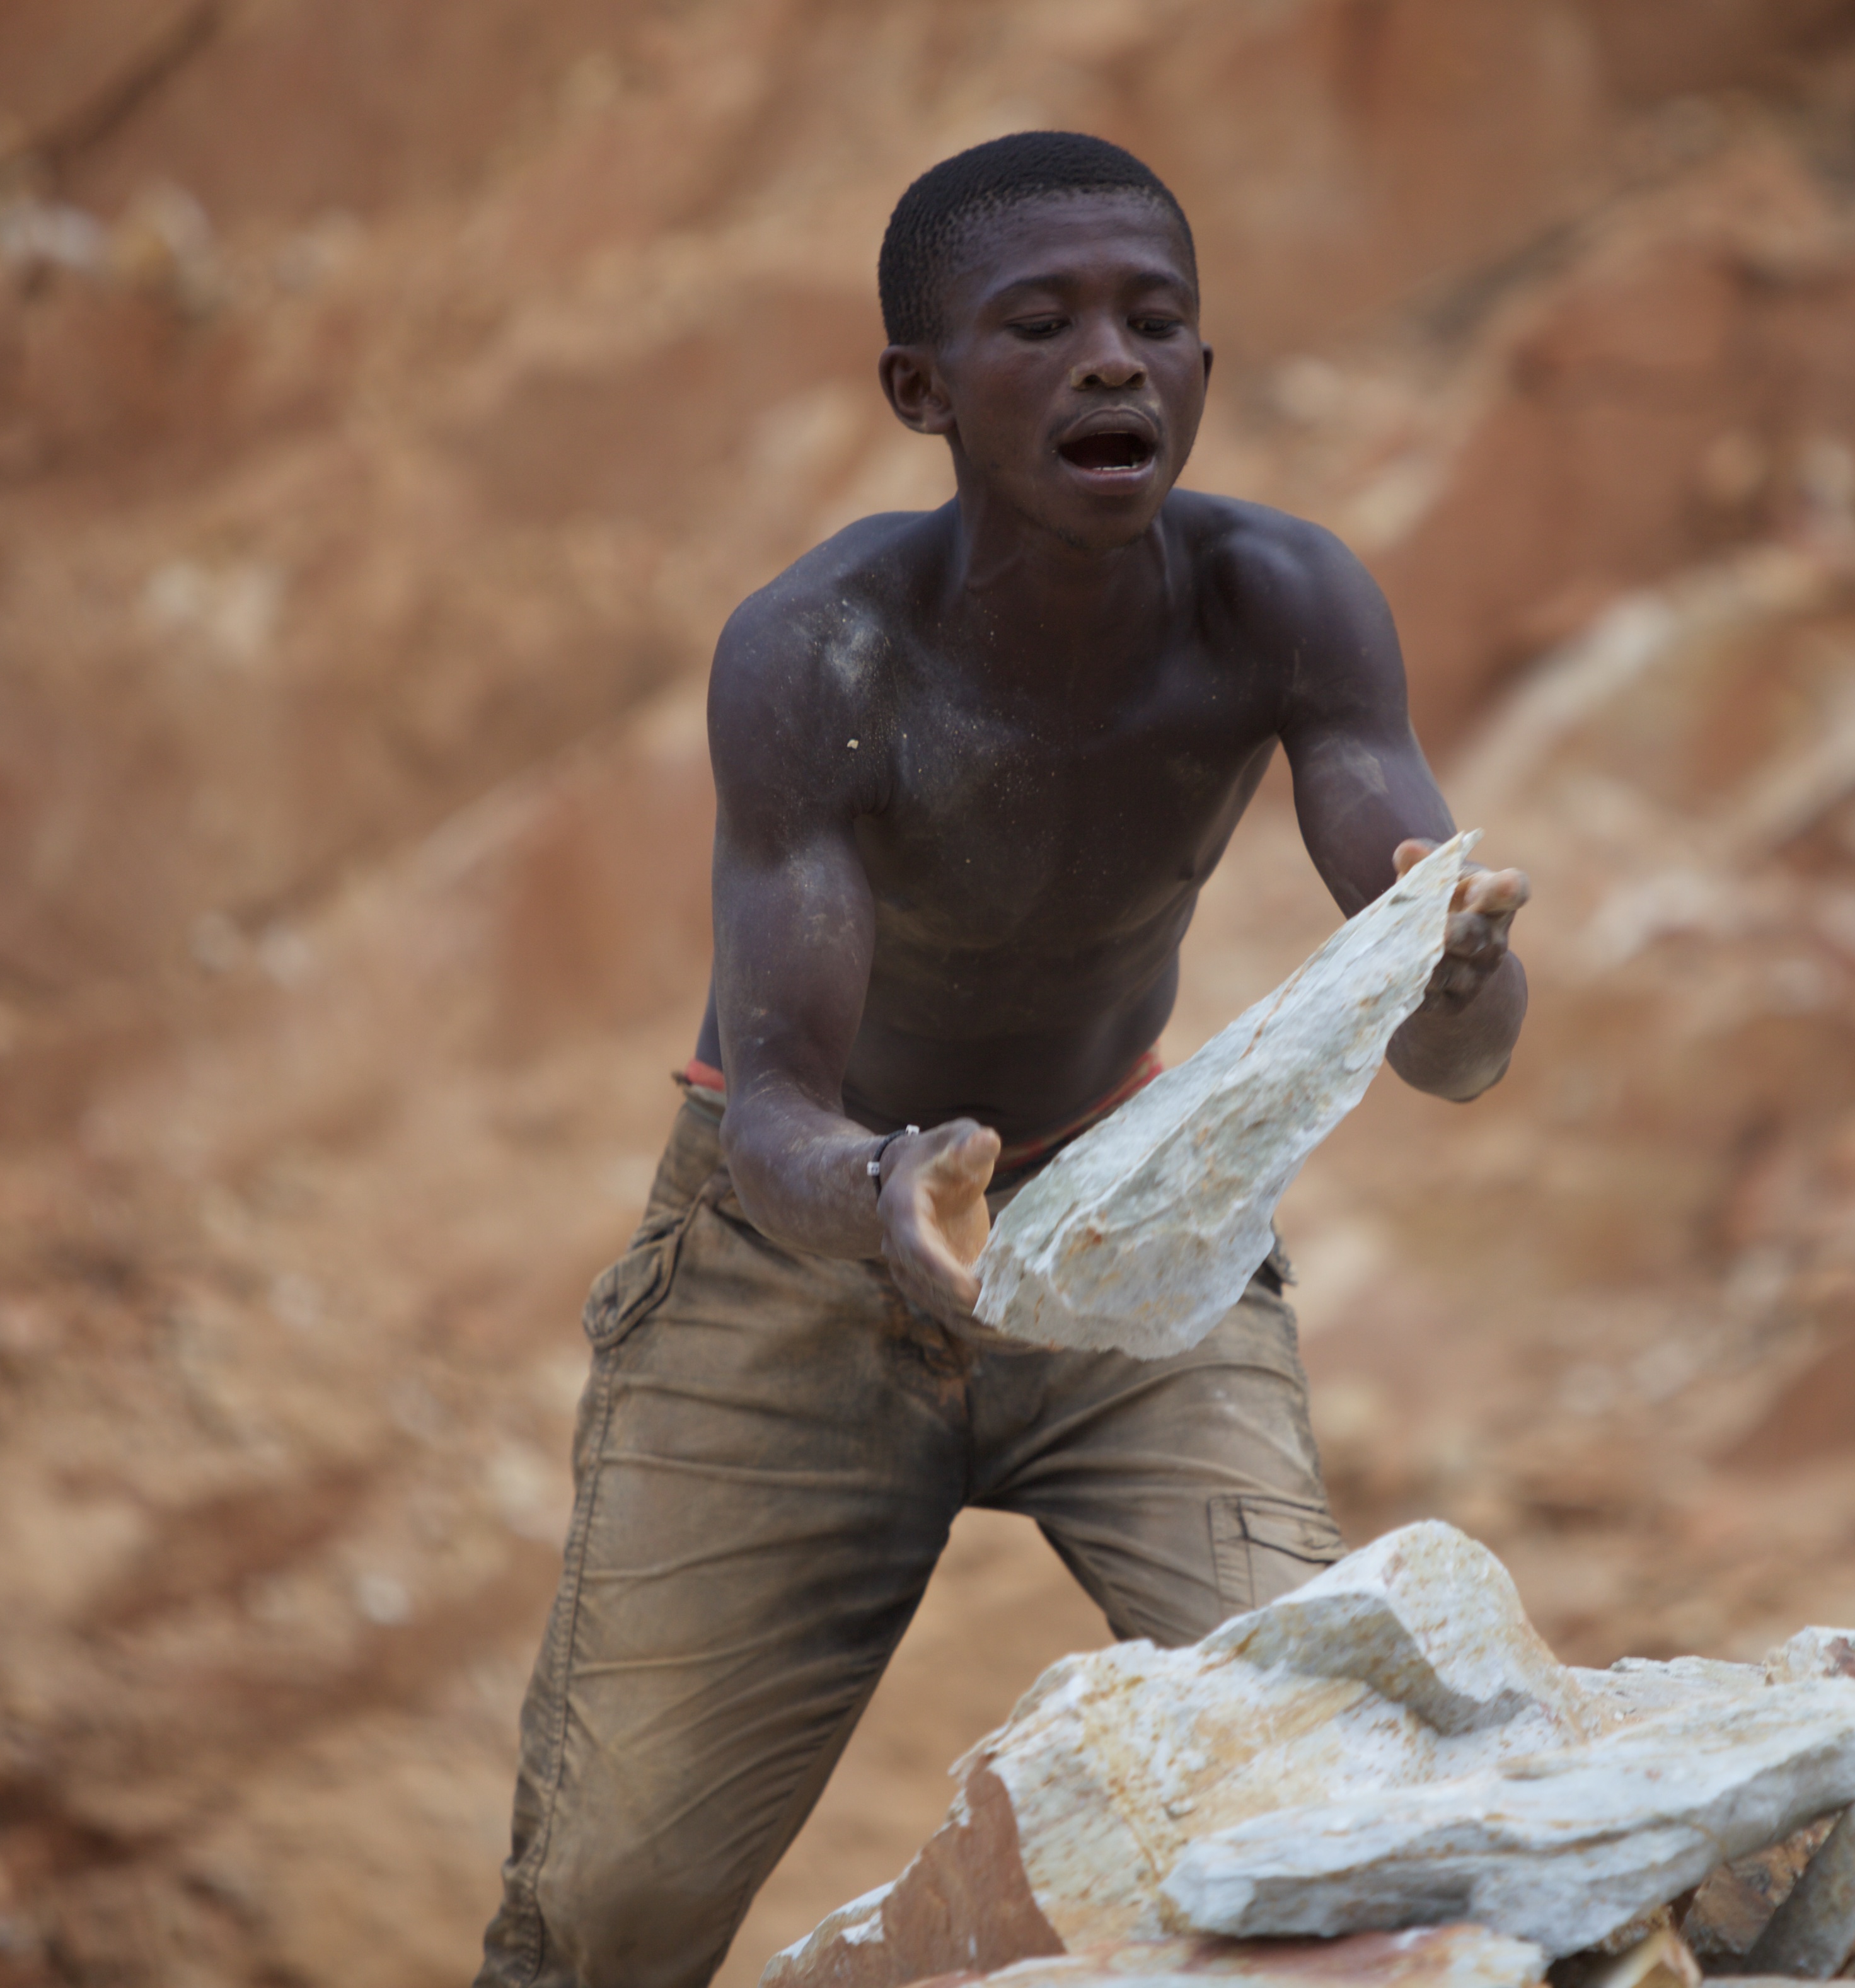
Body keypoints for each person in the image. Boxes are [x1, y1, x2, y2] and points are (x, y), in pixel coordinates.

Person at [477, 131, 1531, 1988]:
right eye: (1036, 324)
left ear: (1206, 369)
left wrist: (1452, 972)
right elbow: (780, 1109)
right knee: (611, 1913)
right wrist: (893, 1197)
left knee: (1331, 1790)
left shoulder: (1281, 605)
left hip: (1130, 1249)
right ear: (921, 389)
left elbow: (1451, 1043)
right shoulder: (818, 653)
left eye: (1156, 321)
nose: (1112, 362)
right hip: (789, 1271)